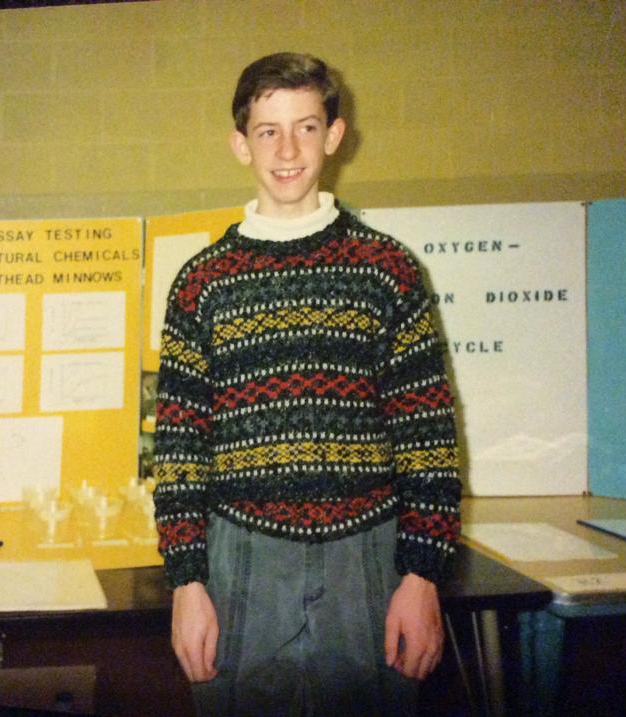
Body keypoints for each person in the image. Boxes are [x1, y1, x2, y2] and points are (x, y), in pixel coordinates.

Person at [153, 52, 461, 716]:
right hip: (240, 562)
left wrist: (422, 577)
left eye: (306, 126)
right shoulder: (202, 283)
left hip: (367, 563)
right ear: (240, 143)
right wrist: (186, 582)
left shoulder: (389, 271)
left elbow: (427, 438)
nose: (287, 149)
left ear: (335, 135)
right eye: (268, 130)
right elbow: (178, 449)